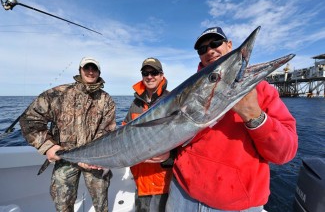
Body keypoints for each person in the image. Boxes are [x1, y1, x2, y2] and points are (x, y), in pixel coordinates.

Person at [166, 27, 299, 211]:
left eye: (215, 43)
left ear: (229, 45)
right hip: (182, 193)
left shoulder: (263, 91)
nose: (209, 50)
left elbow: (285, 152)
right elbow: (175, 135)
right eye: (202, 49)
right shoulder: (186, 91)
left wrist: (254, 116)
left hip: (236, 206)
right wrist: (166, 152)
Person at [19, 57, 116, 212]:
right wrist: (48, 146)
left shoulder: (106, 100)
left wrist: (92, 157)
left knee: (101, 203)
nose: (90, 72)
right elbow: (30, 119)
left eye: (94, 69)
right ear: (80, 70)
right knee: (63, 204)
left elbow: (108, 132)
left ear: (99, 72)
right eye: (87, 68)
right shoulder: (58, 94)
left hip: (94, 160)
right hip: (64, 157)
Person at [122, 57, 175, 212]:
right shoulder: (135, 104)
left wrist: (170, 156)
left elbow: (182, 139)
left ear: (161, 75)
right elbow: (124, 132)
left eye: (154, 72)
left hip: (164, 180)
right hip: (140, 180)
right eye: (146, 72)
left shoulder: (172, 100)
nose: (150, 76)